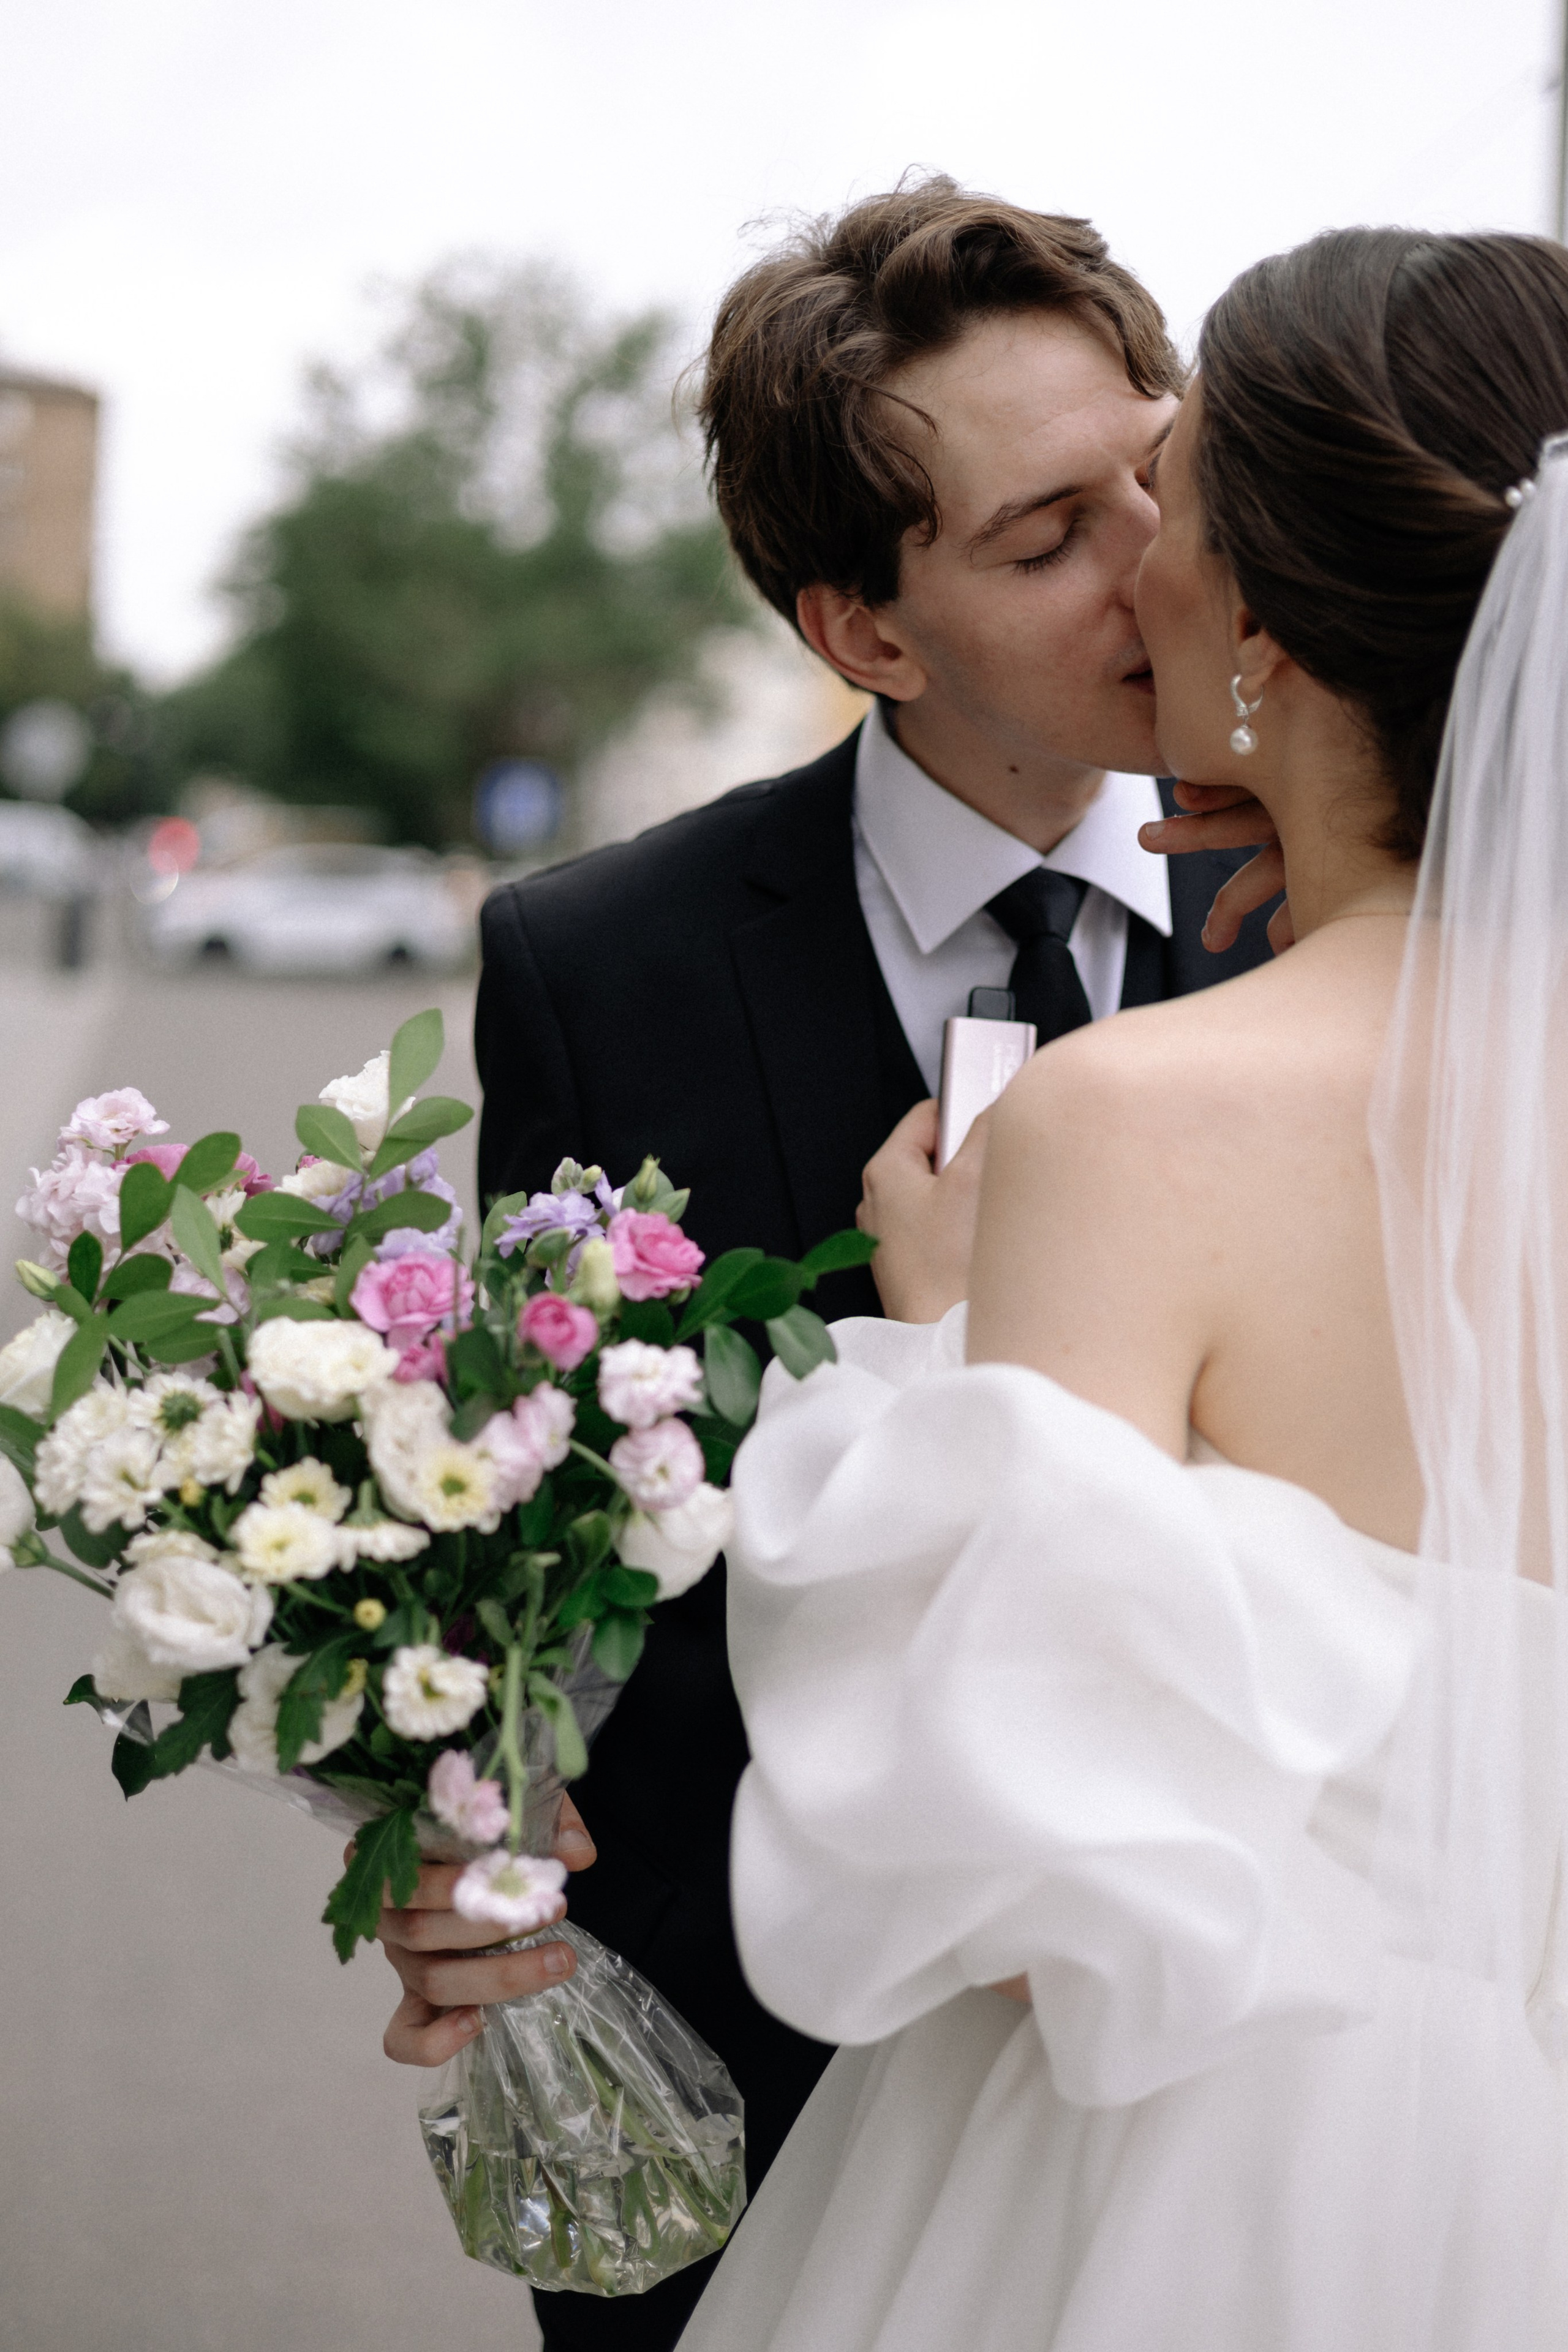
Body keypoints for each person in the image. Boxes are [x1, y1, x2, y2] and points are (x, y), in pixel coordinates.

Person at [374, 178, 1276, 2352]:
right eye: (1044, 542)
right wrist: (459, 1813)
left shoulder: (1348, 915)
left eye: (1153, 477)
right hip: (757, 2076)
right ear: (866, 633)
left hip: (1232, 2061)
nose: (1153, 563)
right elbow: (537, 1529)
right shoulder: (603, 964)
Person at [672, 227, 1568, 2352]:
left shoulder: (1128, 1126)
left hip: (1222, 2158)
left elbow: (1016, 1907)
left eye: (1169, 490)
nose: (1132, 557)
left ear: (1254, 622)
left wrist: (939, 1344)